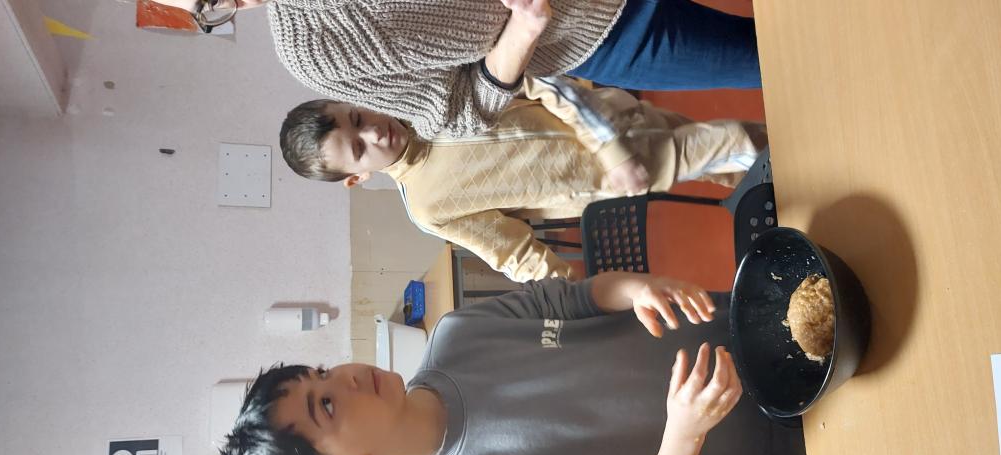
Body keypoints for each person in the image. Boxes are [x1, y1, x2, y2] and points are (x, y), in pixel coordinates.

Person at [218, 272, 805, 455]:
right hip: (757, 442)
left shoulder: (457, 334)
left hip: (738, 322)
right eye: (326, 405)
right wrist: (685, 432)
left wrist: (636, 289)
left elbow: (574, 297)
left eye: (323, 372)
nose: (346, 378)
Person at [279, 76, 767, 281]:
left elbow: (530, 80)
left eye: (357, 117)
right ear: (358, 177)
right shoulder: (428, 207)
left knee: (726, 163)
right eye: (359, 148)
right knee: (741, 142)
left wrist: (602, 128)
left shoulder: (428, 97)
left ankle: (786, 188)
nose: (373, 132)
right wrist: (577, 292)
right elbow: (513, 253)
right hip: (615, 174)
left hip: (613, 118)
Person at [150, 0, 762, 138]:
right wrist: (524, 31)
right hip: (601, 30)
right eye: (206, 5)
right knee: (769, 59)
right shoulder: (314, 52)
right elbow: (457, 112)